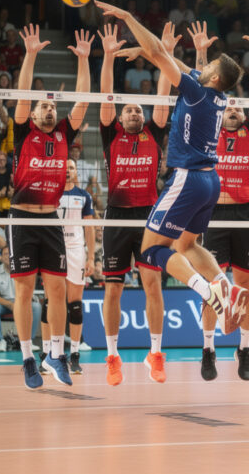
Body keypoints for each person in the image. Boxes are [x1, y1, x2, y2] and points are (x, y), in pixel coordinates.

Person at [96, 1, 249, 374]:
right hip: (211, 181)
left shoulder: (197, 91)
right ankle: (223, 285)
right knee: (189, 244)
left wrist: (129, 18)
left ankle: (207, 292)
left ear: (212, 78)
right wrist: (153, 55)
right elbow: (176, 64)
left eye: (209, 65)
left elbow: (158, 52)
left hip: (186, 179)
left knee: (151, 253)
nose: (205, 64)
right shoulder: (217, 95)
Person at [8, 25, 92, 388]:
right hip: (23, 218)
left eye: (51, 105)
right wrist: (29, 55)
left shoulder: (62, 133)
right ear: (32, 112)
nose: (48, 109)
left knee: (57, 291)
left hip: (52, 221)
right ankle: (27, 358)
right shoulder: (24, 131)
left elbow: (84, 100)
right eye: (43, 105)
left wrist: (85, 61)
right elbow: (23, 94)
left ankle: (55, 354)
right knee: (25, 292)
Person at [96, 23, 171, 386]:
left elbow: (163, 92)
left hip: (149, 216)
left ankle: (155, 353)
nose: (133, 114)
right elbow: (106, 96)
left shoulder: (153, 132)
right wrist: (108, 57)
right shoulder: (110, 133)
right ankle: (113, 357)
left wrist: (164, 54)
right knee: (113, 288)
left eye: (137, 111)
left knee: (152, 284)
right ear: (119, 117)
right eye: (127, 111)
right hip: (115, 216)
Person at [199, 18, 249, 382]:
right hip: (213, 213)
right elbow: (201, 91)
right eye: (229, 107)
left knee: (245, 285)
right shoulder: (210, 124)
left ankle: (244, 348)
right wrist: (200, 53)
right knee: (214, 286)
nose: (235, 110)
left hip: (244, 213)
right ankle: (208, 348)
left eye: (239, 108)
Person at [40, 160, 96, 374]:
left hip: (75, 250)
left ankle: (74, 355)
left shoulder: (84, 195)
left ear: (75, 171)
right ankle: (47, 355)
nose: (67, 171)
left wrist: (91, 258)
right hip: (53, 248)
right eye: (64, 168)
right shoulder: (50, 193)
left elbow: (90, 228)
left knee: (74, 304)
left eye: (71, 168)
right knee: (49, 302)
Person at [0, 246, 41, 351]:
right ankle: (0, 341)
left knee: (36, 306)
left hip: (21, 303)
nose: (8, 256)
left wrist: (20, 304)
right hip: (3, 304)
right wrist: (11, 305)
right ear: (1, 257)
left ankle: (29, 341)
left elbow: (27, 291)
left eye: (10, 254)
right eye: (5, 254)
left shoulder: (24, 271)